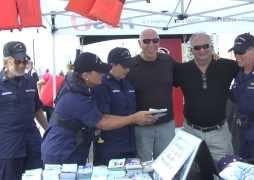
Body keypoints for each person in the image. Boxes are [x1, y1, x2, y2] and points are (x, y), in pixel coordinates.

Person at [173, 32, 254, 163]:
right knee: (192, 171)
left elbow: (248, 62)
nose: (202, 50)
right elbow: (160, 81)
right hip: (191, 132)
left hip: (219, 133)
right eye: (197, 47)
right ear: (191, 50)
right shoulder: (182, 70)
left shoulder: (226, 66)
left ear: (212, 47)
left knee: (224, 171)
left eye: (206, 46)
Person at [41, 52, 155, 165]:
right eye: (99, 71)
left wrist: (133, 118)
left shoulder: (80, 90)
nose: (103, 73)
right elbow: (103, 122)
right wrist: (133, 118)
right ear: (85, 75)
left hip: (70, 150)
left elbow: (102, 117)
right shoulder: (75, 97)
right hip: (61, 154)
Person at [0, 41, 47, 180]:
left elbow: (37, 109)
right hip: (9, 147)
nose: (22, 65)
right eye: (17, 62)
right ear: (6, 62)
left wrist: (48, 130)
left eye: (24, 61)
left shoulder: (30, 81)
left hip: (33, 143)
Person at [127, 29, 176, 161]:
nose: (151, 44)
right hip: (141, 127)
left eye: (155, 41)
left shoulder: (168, 61)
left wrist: (212, 57)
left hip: (166, 124)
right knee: (143, 164)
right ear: (139, 43)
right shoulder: (130, 65)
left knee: (166, 163)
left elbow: (188, 73)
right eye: (146, 41)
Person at [92, 47, 136, 165]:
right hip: (110, 148)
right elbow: (102, 120)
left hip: (130, 145)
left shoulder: (128, 83)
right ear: (112, 65)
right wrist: (134, 118)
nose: (127, 69)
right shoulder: (101, 85)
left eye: (129, 65)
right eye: (124, 66)